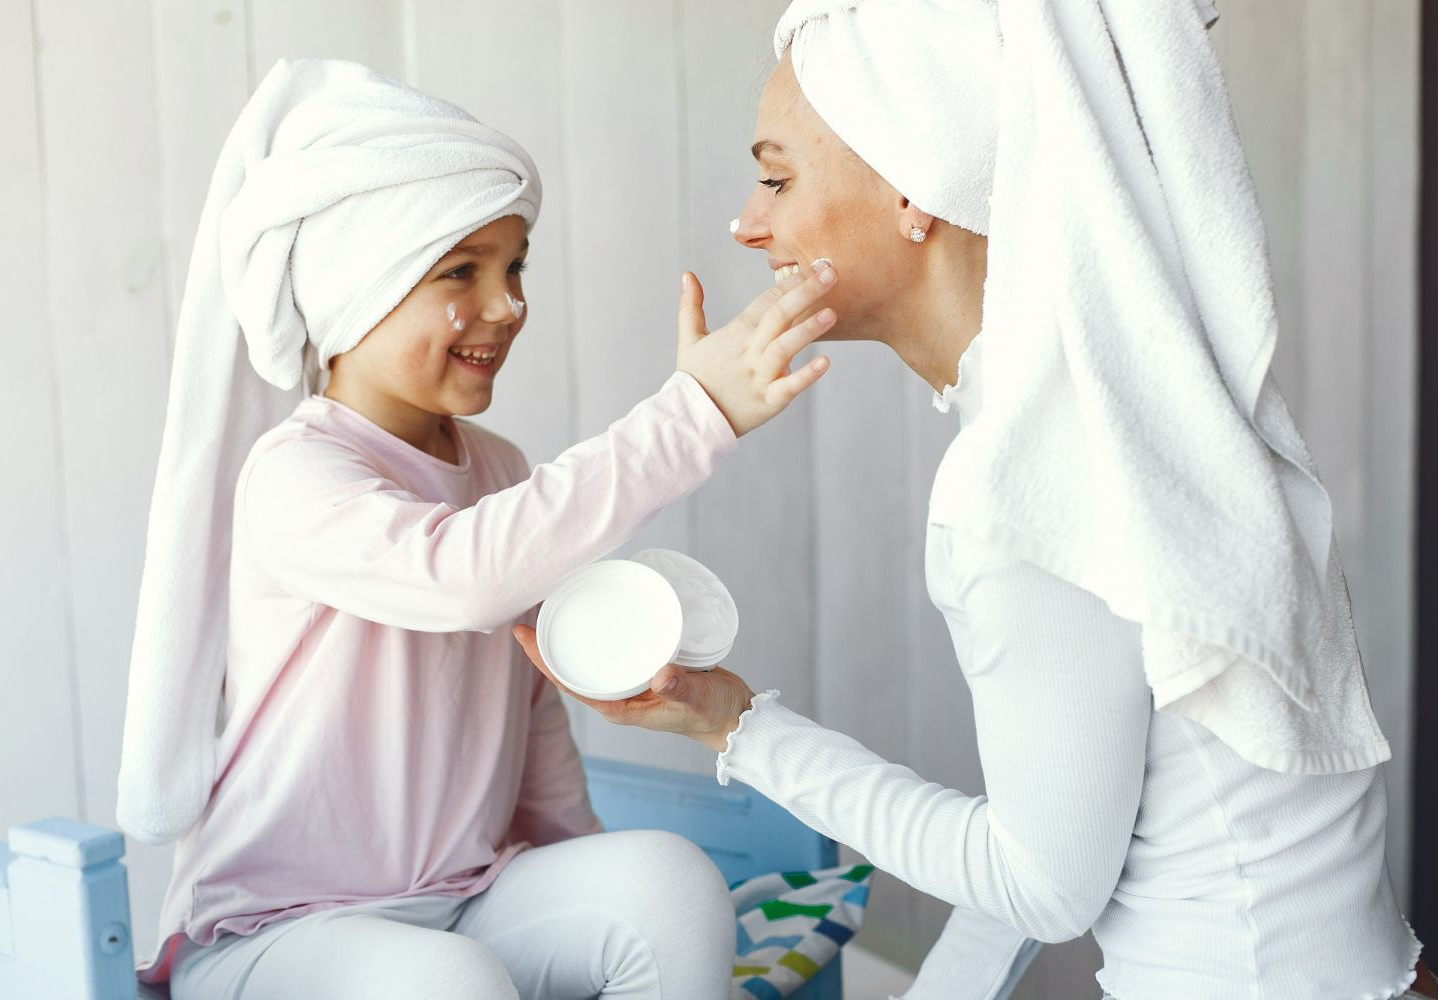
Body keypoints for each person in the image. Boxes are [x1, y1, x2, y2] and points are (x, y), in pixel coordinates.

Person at [514, 2, 1435, 997]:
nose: (748, 223)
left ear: (915, 190)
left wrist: (736, 724)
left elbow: (1041, 887)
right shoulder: (1139, 408)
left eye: (777, 176)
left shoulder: (1022, 482)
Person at [114, 58, 838, 1000]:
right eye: (462, 270)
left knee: (669, 887)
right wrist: (692, 413)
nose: (508, 304)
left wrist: (582, 872)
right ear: (353, 288)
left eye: (514, 265)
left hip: (464, 895)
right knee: (445, 984)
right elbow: (466, 578)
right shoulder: (295, 475)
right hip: (281, 933)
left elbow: (528, 702)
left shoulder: (497, 470)